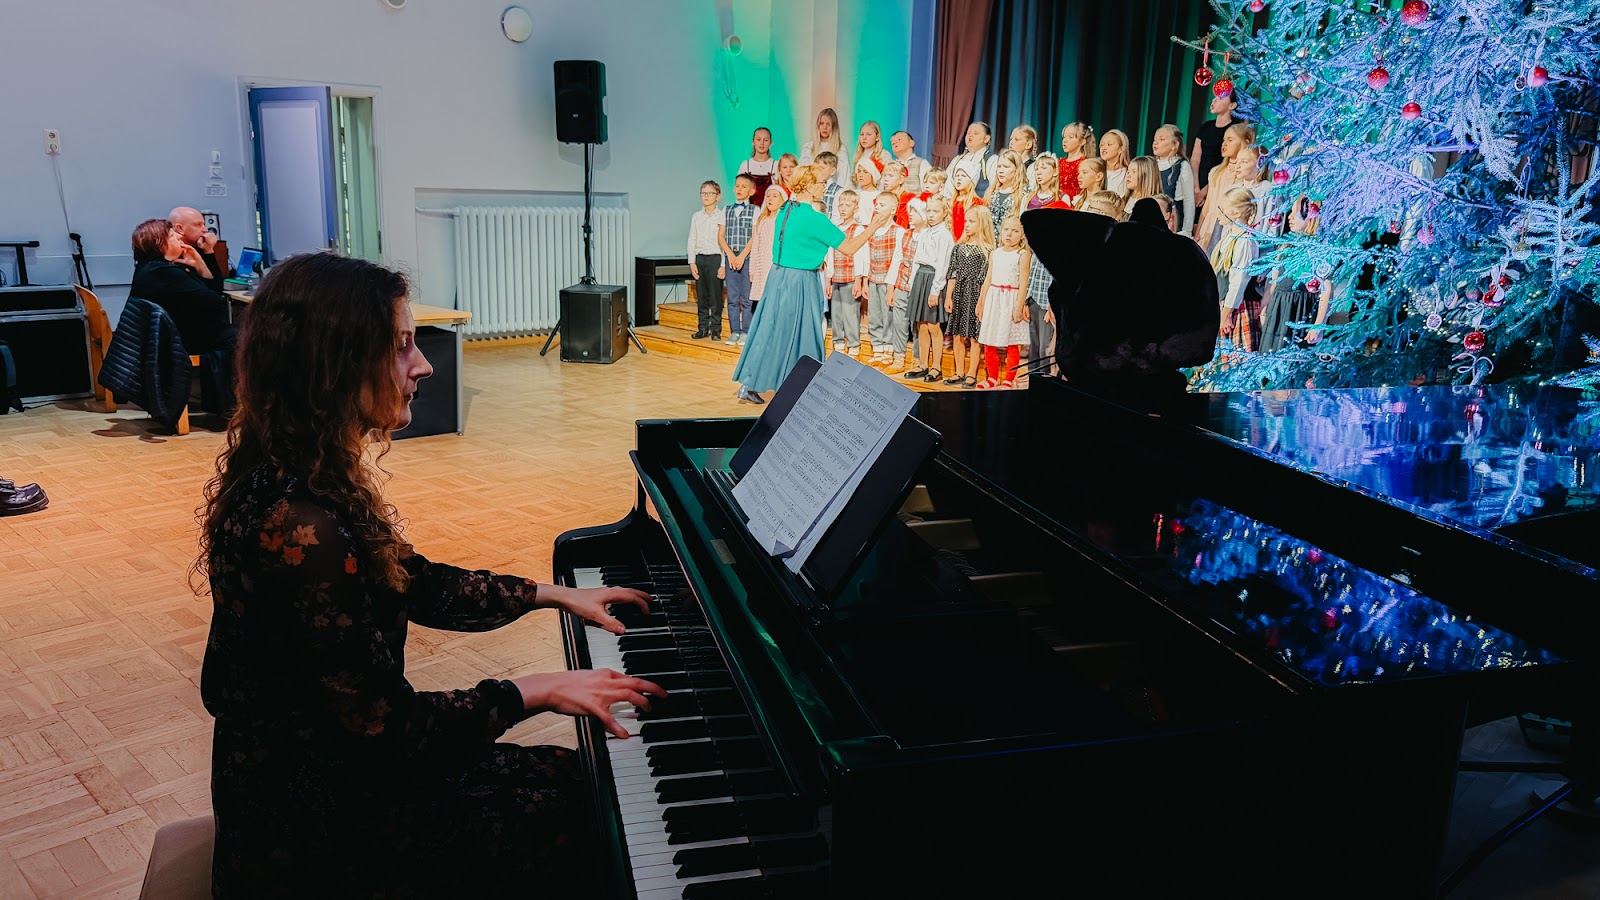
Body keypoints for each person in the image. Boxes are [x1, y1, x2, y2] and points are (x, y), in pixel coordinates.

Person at [197, 251, 668, 898]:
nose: (423, 365)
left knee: (577, 786)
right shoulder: (299, 526)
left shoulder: (296, 472)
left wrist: (551, 594)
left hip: (322, 780)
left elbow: (414, 581)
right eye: (400, 347)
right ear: (334, 364)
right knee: (581, 806)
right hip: (312, 834)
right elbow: (386, 731)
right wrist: (533, 691)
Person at [733, 169, 893, 403]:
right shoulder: (814, 218)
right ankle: (800, 387)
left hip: (777, 278)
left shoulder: (786, 209)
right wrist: (874, 225)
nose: (824, 187)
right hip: (800, 281)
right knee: (803, 335)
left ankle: (753, 383)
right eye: (821, 183)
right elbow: (848, 248)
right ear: (808, 186)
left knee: (772, 331)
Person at [129, 218, 234, 356]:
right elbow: (217, 303)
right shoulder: (164, 273)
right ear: (160, 244)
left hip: (166, 342)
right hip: (186, 346)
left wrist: (200, 265)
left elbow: (214, 294)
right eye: (173, 235)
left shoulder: (150, 268)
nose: (179, 237)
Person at [1258, 194, 1331, 352]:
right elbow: (1273, 281)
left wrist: (1318, 326)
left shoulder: (1318, 250)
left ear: (1310, 215)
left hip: (1300, 311)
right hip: (1277, 310)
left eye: (1295, 213)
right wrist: (1264, 307)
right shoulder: (1285, 246)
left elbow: (1326, 290)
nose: (1289, 217)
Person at [974, 214, 1032, 389]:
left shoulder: (1022, 254)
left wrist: (1019, 307)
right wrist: (981, 302)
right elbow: (988, 279)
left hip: (1011, 300)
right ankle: (992, 377)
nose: (1009, 234)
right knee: (989, 340)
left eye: (1015, 231)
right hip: (994, 299)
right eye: (1006, 229)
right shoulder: (995, 253)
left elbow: (1024, 283)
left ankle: (1009, 378)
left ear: (1022, 234)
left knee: (1012, 342)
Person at [902, 197, 956, 383]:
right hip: (920, 277)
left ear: (944, 213)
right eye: (929, 211)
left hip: (933, 279)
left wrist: (935, 290)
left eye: (935, 211)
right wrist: (912, 284)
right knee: (921, 325)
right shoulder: (925, 232)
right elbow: (917, 259)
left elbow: (943, 265)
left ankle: (936, 367)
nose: (931, 215)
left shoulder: (944, 235)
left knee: (933, 325)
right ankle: (923, 364)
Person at [943, 205, 994, 387]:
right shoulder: (958, 248)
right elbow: (953, 273)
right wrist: (948, 296)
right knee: (957, 334)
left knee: (974, 335)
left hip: (976, 295)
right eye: (966, 221)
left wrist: (982, 302)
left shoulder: (987, 250)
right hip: (959, 293)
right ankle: (959, 371)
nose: (967, 224)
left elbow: (985, 279)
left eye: (972, 221)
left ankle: (972, 373)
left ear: (982, 224)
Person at [1210, 185, 1262, 351]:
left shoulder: (1245, 241)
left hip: (1238, 308)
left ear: (1237, 213)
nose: (1218, 213)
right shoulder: (1229, 236)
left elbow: (1239, 281)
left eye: (1222, 209)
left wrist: (1227, 313)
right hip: (1225, 305)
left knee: (1237, 354)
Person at [1194, 122, 1260, 251]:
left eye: (1230, 140)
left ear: (1245, 142)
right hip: (1208, 227)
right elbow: (1207, 206)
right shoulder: (1215, 172)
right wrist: (1198, 231)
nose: (1224, 144)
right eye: (1224, 140)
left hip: (1227, 226)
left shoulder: (1244, 175)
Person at [862, 193, 907, 368]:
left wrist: (891, 287)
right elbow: (866, 257)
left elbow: (898, 260)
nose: (877, 207)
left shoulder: (898, 231)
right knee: (874, 315)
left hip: (889, 281)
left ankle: (889, 350)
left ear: (893, 210)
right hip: (873, 278)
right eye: (877, 204)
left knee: (888, 316)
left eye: (882, 205)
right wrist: (865, 281)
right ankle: (878, 349)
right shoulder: (871, 230)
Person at [824, 189, 869, 354]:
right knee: (836, 312)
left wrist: (859, 279)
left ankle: (853, 344)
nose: (843, 208)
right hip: (836, 277)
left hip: (850, 277)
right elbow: (829, 255)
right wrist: (828, 280)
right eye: (841, 205)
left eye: (847, 205)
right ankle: (838, 343)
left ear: (855, 208)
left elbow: (861, 255)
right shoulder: (835, 228)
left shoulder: (858, 229)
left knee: (850, 312)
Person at [718, 173, 760, 345]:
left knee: (747, 297)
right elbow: (721, 236)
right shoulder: (726, 210)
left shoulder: (755, 210)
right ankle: (734, 331)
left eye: (744, 186)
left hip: (746, 258)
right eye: (737, 186)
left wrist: (742, 256)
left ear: (751, 191)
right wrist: (730, 255)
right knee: (733, 297)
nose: (739, 189)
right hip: (731, 257)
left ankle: (746, 331)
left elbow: (754, 236)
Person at [1190, 90, 1244, 215]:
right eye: (1215, 97)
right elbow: (1195, 158)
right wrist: (1196, 189)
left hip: (1219, 184)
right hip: (1197, 184)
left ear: (1232, 105)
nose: (1214, 101)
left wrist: (1204, 192)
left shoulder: (1234, 130)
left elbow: (1228, 164)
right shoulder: (1206, 127)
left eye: (1220, 98)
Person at [688, 181, 726, 341]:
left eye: (710, 193)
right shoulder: (697, 216)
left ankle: (715, 329)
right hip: (700, 258)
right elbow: (692, 239)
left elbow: (724, 241)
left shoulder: (722, 216)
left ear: (718, 196)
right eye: (703, 193)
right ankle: (702, 328)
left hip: (716, 258)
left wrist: (723, 264)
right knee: (702, 295)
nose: (706, 196)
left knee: (715, 296)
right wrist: (692, 262)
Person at [1152, 125, 1197, 236]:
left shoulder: (1181, 166)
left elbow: (1188, 200)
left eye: (1161, 139)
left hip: (1172, 220)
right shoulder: (1150, 165)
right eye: (1155, 139)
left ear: (1174, 144)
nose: (1156, 143)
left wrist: (1187, 230)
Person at [169, 206, 227, 292]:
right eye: (198, 225)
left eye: (204, 224)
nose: (205, 230)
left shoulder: (200, 248)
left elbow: (217, 287)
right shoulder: (171, 256)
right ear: (180, 228)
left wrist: (209, 251)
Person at [983, 149, 1027, 243]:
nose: (1001, 171)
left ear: (1016, 169)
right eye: (999, 166)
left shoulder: (1024, 193)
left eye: (1006, 167)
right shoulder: (991, 192)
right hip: (990, 244)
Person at [947, 122, 996, 197]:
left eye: (975, 133)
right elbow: (947, 183)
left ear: (986, 139)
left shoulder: (992, 159)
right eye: (968, 133)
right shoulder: (958, 159)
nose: (970, 135)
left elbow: (994, 186)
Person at [800, 107, 844, 176]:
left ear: (834, 127)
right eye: (821, 123)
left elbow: (844, 177)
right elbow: (801, 174)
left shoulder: (841, 150)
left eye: (828, 124)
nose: (824, 127)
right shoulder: (807, 148)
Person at [1057, 123, 1096, 199]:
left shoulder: (1085, 163)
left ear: (1082, 142)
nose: (1065, 140)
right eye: (1064, 137)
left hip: (1076, 200)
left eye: (1070, 137)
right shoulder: (1059, 162)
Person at [737, 127, 779, 197]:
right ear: (753, 141)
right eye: (758, 139)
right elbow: (739, 191)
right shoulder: (745, 165)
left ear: (771, 143)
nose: (762, 143)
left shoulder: (776, 165)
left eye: (765, 140)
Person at [1098, 129, 1132, 198]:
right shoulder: (1098, 170)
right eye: (1102, 145)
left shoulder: (1127, 174)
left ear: (1121, 149)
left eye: (1109, 144)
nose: (1104, 148)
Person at [814, 151, 843, 220]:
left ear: (832, 171)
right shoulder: (811, 188)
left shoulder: (838, 191)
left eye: (821, 168)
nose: (817, 171)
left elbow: (837, 217)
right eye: (815, 168)